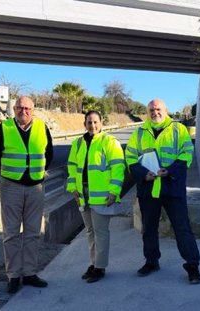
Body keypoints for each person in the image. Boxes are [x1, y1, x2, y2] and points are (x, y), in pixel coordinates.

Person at [124, 99, 200, 284]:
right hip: (149, 188)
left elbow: (186, 154)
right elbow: (130, 157)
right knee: (149, 229)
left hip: (172, 186)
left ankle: (192, 266)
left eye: (158, 109)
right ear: (147, 112)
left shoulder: (178, 130)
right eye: (151, 110)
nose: (155, 112)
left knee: (182, 228)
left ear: (165, 111)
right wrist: (144, 175)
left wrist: (170, 171)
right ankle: (151, 261)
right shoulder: (139, 132)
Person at [0, 96, 54, 293]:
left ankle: (29, 273)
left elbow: (49, 154)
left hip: (36, 187)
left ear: (33, 110)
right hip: (11, 187)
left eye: (27, 108)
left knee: (33, 232)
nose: (23, 111)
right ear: (14, 109)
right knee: (11, 233)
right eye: (19, 107)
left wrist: (39, 173)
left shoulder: (42, 127)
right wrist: (8, 176)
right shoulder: (4, 128)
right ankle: (13, 276)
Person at [66, 111, 125, 283]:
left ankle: (100, 267)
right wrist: (72, 188)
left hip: (101, 197)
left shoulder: (109, 142)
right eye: (89, 122)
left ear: (101, 123)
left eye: (95, 122)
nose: (92, 125)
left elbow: (118, 168)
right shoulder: (78, 144)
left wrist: (114, 191)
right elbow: (71, 168)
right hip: (83, 195)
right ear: (84, 123)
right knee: (90, 232)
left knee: (101, 233)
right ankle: (93, 264)